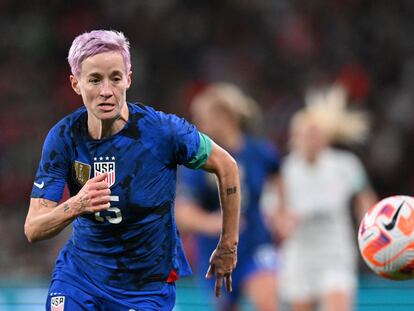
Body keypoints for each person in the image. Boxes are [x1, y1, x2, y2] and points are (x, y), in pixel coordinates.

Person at [24, 30, 240, 311]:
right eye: (94, 80)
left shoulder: (163, 131)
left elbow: (227, 166)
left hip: (146, 287)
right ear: (75, 84)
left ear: (128, 78)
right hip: (80, 278)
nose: (106, 91)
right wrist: (77, 204)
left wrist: (228, 244)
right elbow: (33, 228)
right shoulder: (64, 137)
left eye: (115, 78)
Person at [175, 83, 280, 311]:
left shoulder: (259, 152)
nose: (198, 125)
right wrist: (211, 222)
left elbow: (279, 177)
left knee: (267, 301)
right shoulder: (198, 161)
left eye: (203, 117)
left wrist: (281, 210)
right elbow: (183, 213)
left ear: (226, 116)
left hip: (255, 243)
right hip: (216, 251)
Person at [274, 85, 378, 311]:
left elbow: (365, 199)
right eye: (307, 133)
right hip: (299, 254)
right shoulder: (285, 169)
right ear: (296, 136)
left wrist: (371, 227)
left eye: (316, 133)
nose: (312, 138)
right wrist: (283, 224)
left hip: (335, 252)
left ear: (326, 137)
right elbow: (276, 213)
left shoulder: (346, 165)